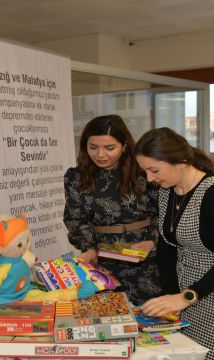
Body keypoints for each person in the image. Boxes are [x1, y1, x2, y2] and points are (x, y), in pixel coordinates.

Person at [135, 127, 214, 359]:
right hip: (186, 292)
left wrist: (186, 297)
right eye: (145, 171)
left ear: (180, 162)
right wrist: (171, 297)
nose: (150, 179)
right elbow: (167, 248)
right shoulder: (168, 192)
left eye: (154, 170)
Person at [63, 114, 165, 306]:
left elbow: (165, 212)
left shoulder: (144, 172)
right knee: (106, 317)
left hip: (145, 258)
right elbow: (75, 219)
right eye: (93, 147)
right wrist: (89, 249)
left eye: (110, 148)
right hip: (101, 261)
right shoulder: (75, 177)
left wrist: (152, 240)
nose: (101, 154)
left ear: (124, 145)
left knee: (150, 317)